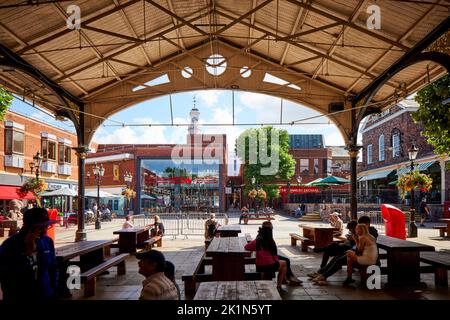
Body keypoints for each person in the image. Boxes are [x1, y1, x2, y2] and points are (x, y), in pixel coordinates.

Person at [0, 207, 58, 301]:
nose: (45, 229)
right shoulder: (10, 244)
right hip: (19, 295)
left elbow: (53, 267)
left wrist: (54, 290)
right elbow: (5, 273)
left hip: (45, 294)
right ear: (29, 227)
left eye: (46, 225)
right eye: (41, 227)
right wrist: (27, 253)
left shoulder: (47, 241)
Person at [308, 216, 379, 285]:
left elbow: (359, 250)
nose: (359, 227)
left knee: (339, 259)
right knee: (337, 257)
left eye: (361, 225)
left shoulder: (370, 232)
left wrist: (355, 239)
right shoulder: (363, 233)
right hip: (358, 253)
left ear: (367, 224)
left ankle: (323, 276)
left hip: (363, 256)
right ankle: (322, 274)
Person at [244, 221, 288, 293]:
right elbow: (274, 256)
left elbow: (247, 247)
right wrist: (276, 262)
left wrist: (255, 248)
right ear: (271, 229)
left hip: (259, 266)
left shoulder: (257, 240)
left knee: (270, 267)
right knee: (284, 263)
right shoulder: (271, 240)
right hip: (269, 266)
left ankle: (266, 285)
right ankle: (279, 286)